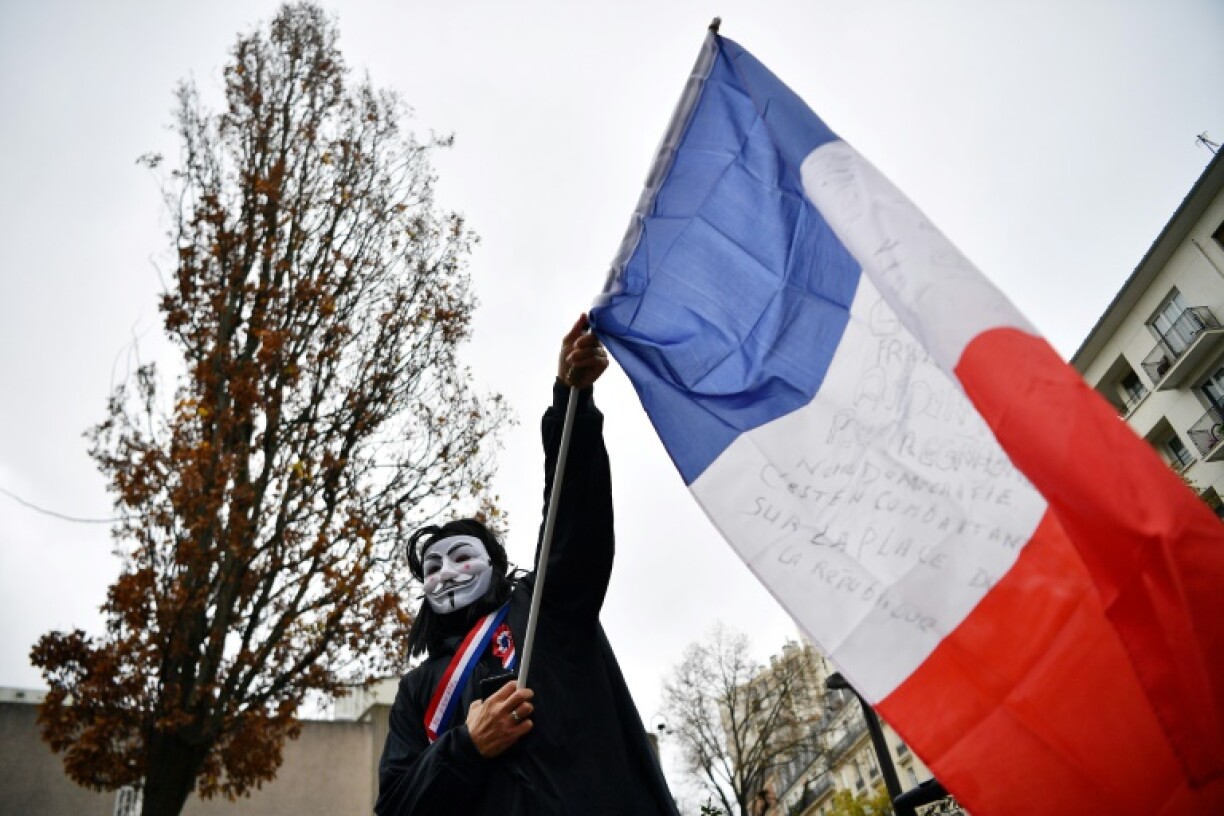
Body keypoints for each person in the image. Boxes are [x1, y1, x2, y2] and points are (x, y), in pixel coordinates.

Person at [375, 314, 679, 815]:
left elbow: (570, 523)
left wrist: (570, 405)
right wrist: (465, 747)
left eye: (461, 556)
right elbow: (396, 808)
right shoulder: (415, 692)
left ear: (495, 566)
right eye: (432, 567)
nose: (446, 572)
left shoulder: (546, 606)